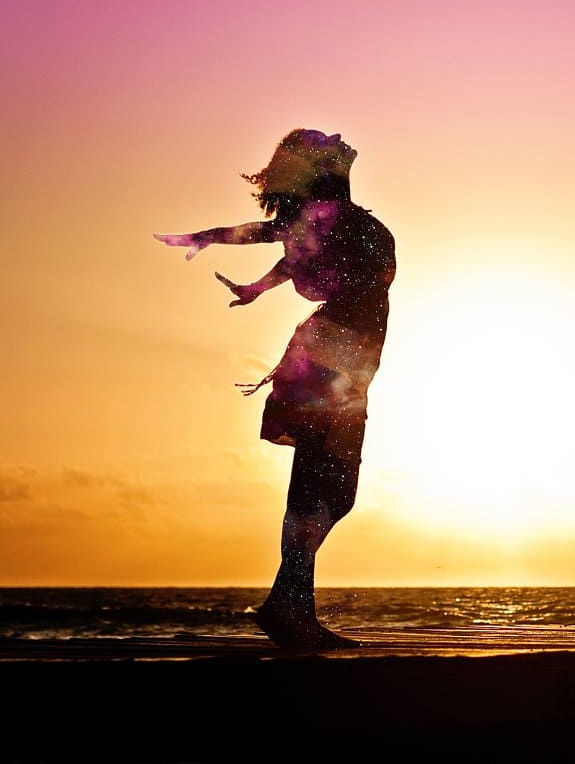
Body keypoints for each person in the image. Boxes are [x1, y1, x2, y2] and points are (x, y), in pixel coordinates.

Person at [155, 129, 395, 648]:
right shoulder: (330, 216)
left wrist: (256, 287)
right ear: (321, 167)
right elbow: (265, 236)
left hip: (338, 361)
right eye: (328, 141)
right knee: (322, 486)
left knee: (329, 489)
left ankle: (289, 604)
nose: (340, 136)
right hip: (332, 362)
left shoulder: (336, 223)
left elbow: (291, 255)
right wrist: (211, 237)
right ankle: (290, 608)